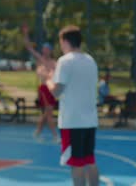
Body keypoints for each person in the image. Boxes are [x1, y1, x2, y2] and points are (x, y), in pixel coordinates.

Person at [48, 25, 100, 186]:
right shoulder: (90, 60)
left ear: (65, 41)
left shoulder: (65, 61)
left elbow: (56, 92)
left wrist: (47, 79)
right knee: (90, 160)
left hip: (73, 121)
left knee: (76, 164)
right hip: (90, 119)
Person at [21, 24, 59, 142]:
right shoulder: (40, 60)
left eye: (48, 48)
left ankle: (37, 132)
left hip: (52, 89)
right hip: (44, 88)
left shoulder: (55, 62)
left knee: (47, 113)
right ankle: (55, 136)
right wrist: (26, 33)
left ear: (51, 50)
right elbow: (28, 47)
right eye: (44, 48)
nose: (45, 50)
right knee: (49, 112)